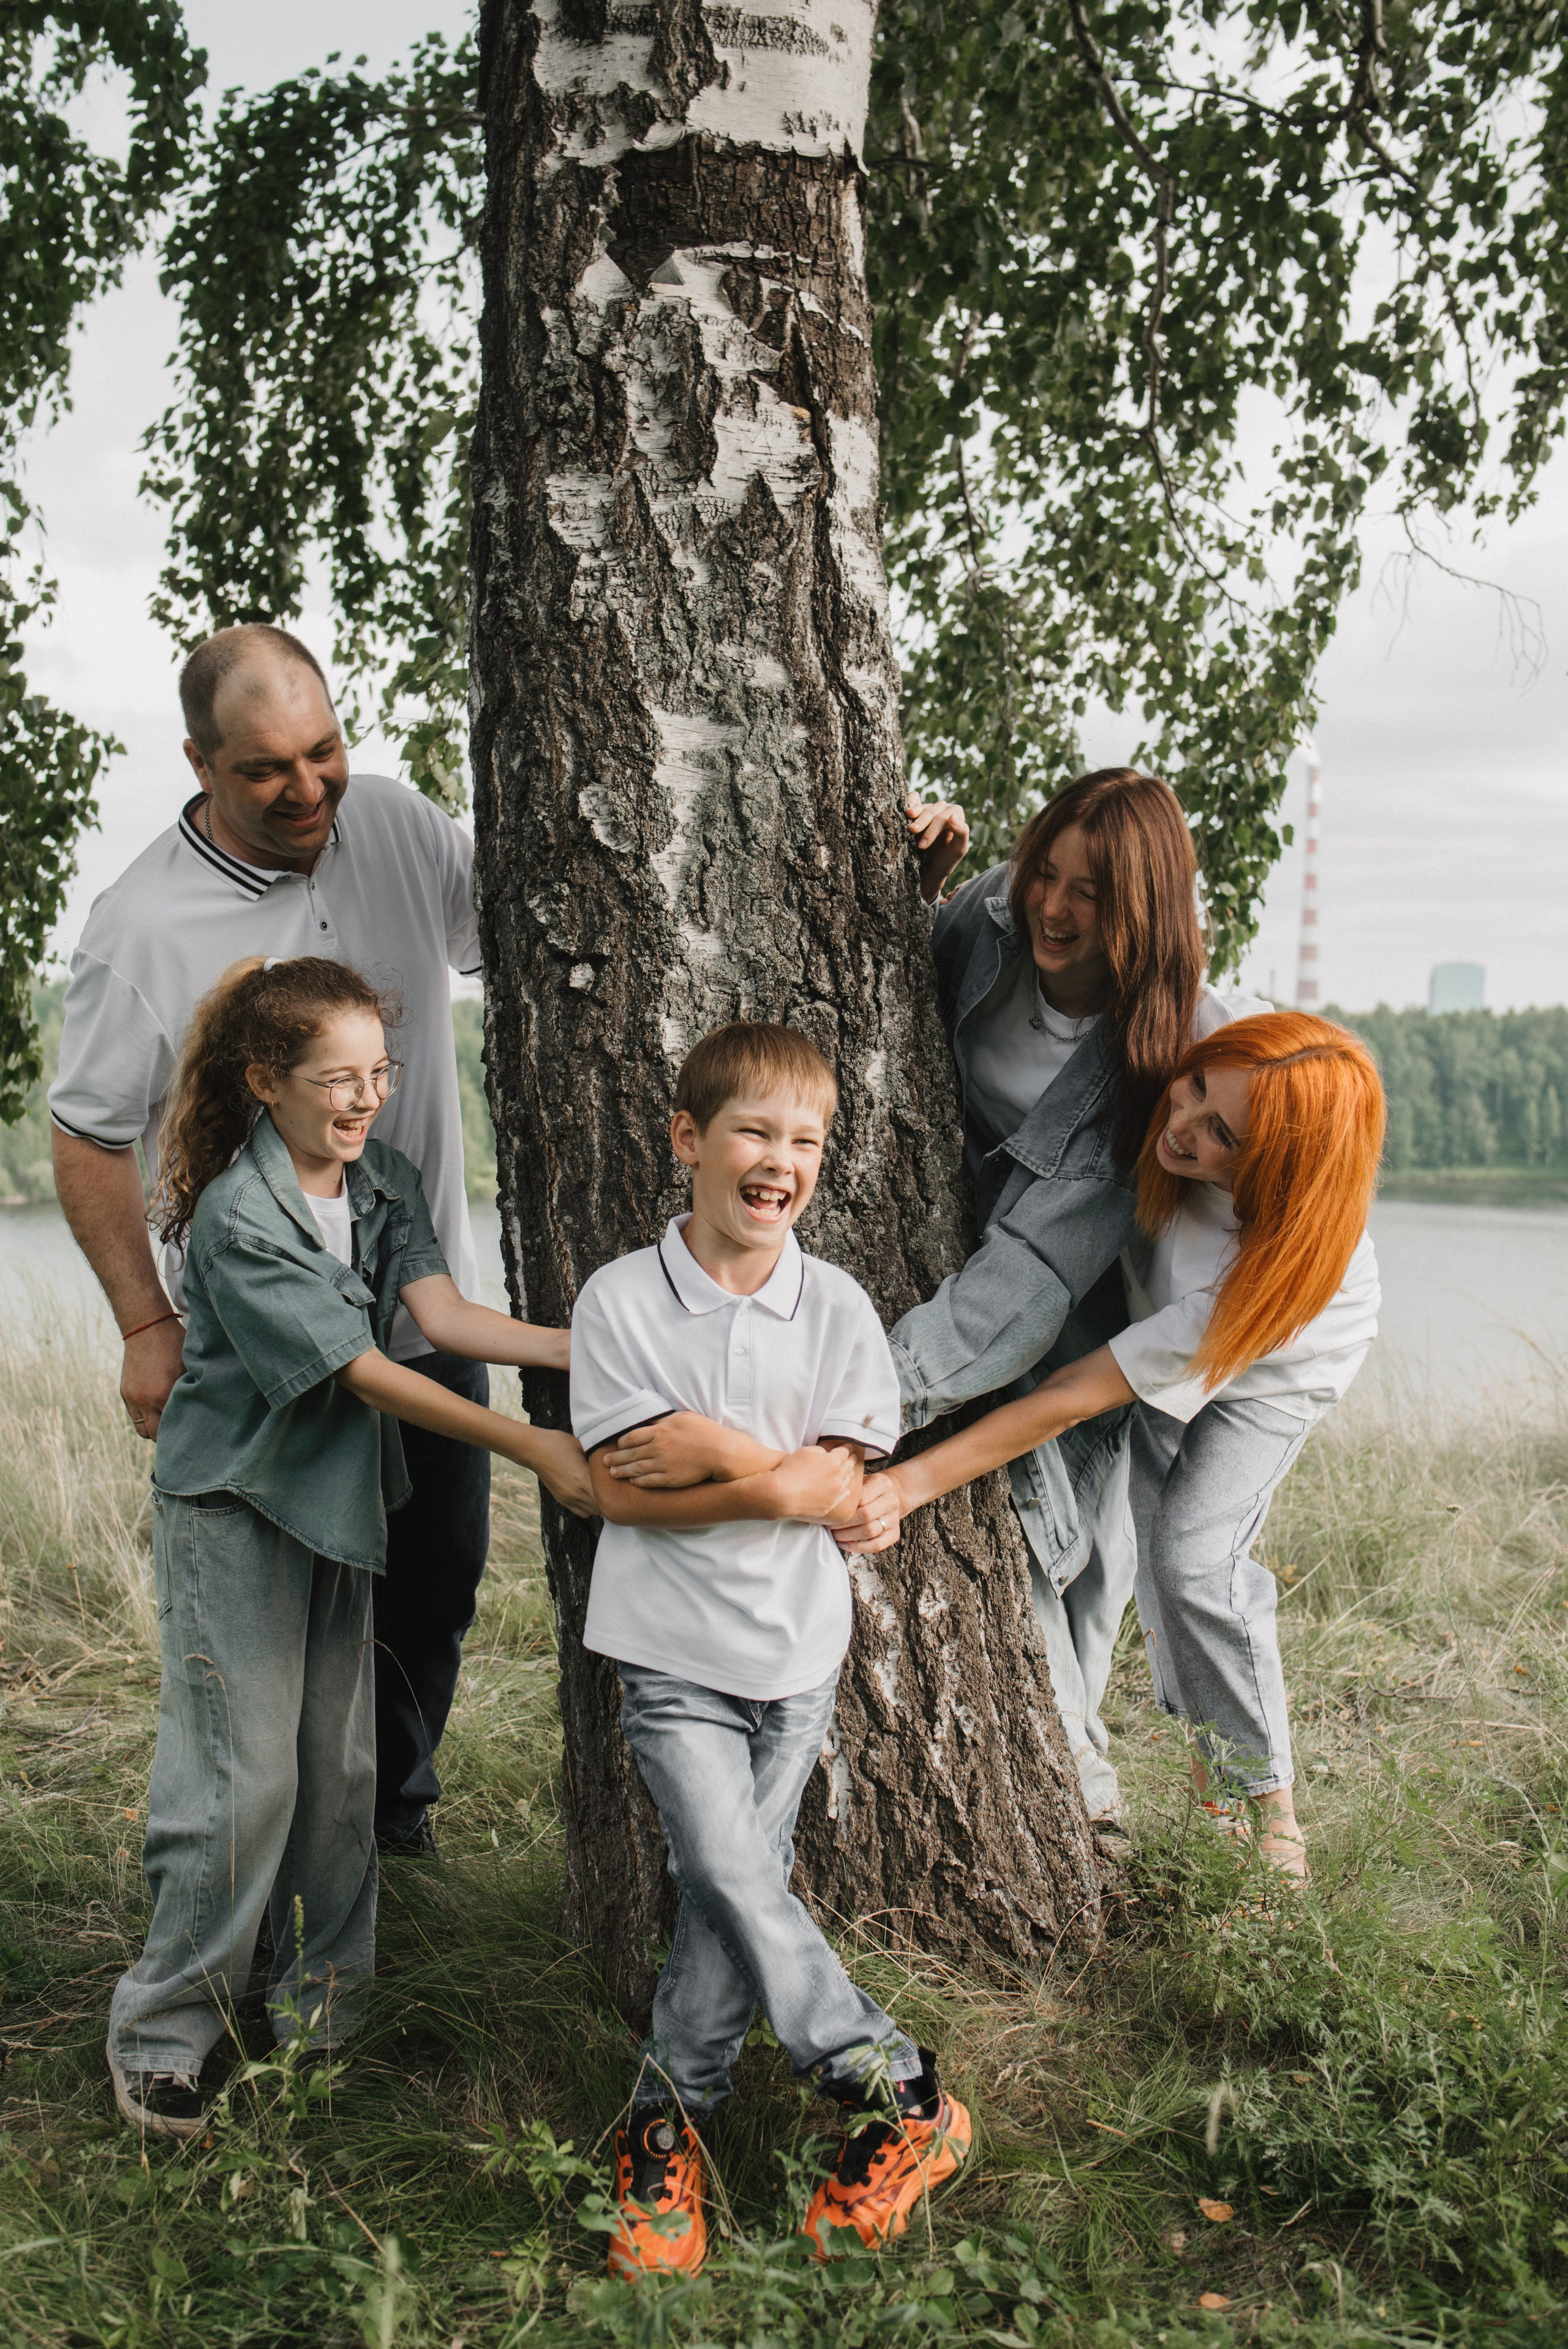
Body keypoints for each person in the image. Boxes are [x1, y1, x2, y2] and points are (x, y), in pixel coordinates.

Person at [107, 957, 593, 2138]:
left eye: (381, 1073)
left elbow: (441, 1320)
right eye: (339, 1079)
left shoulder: (384, 1180)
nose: (365, 1098)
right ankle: (166, 2033)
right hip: (239, 1515)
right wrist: (532, 1451)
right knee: (240, 1784)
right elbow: (362, 1368)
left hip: (338, 1509)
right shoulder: (238, 1216)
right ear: (266, 1082)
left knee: (340, 1776)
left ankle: (325, 2016)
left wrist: (602, 1349)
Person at [50, 625, 493, 1856]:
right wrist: (147, 1323)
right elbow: (87, 1136)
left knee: (432, 1591)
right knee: (281, 1632)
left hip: (424, 1322)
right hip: (267, 1364)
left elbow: (529, 927)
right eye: (265, 771)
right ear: (198, 761)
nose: (307, 790)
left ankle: (385, 1839)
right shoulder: (141, 922)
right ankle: (256, 1863)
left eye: (324, 752)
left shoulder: (400, 825)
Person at [570, 1022, 971, 2277]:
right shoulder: (621, 1301)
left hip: (795, 1659)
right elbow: (624, 1496)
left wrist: (725, 1450)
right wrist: (777, 1476)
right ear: (686, 1139)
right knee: (731, 1873)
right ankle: (893, 2082)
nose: (779, 1159)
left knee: (721, 1893)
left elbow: (837, 1493)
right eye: (752, 1131)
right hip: (670, 1654)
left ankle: (661, 2127)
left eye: (804, 1141)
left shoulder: (837, 1306)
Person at [836, 1012, 1384, 1879]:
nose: (1183, 1127)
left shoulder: (1254, 1273)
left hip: (1274, 1360)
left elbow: (1065, 1399)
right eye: (1196, 1088)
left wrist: (907, 1486)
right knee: (1156, 1548)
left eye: (1221, 1137)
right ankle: (1214, 1779)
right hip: (1172, 1340)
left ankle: (1270, 1807)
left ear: (1272, 1168)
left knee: (1195, 1557)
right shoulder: (1193, 1070)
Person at [896, 773, 1268, 1828]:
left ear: (1144, 908)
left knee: (1090, 1566)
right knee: (1035, 1534)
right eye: (1045, 872)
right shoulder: (993, 914)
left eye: (1091, 893)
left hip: (1103, 1304)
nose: (1052, 909)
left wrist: (867, 1393)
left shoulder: (1166, 1053)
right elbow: (889, 996)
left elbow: (1032, 1282)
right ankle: (1089, 1795)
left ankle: (1085, 1804)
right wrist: (918, 889)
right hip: (971, 1255)